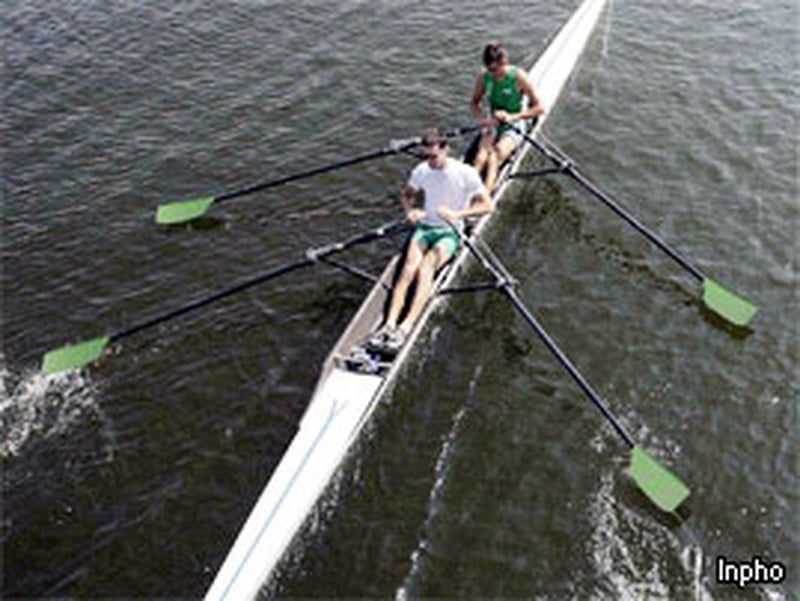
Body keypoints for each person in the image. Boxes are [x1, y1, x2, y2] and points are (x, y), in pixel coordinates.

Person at [368, 128, 492, 353]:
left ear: (446, 150)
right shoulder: (421, 171)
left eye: (434, 156)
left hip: (450, 231)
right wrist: (410, 211)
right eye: (426, 156)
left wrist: (457, 215)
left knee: (426, 269)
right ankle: (388, 325)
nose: (430, 162)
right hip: (425, 228)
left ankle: (405, 328)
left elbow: (487, 205)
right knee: (407, 270)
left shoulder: (465, 173)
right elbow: (406, 195)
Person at [469, 42, 545, 192]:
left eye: (496, 69)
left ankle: (485, 197)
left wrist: (513, 116)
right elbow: (474, 103)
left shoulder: (519, 77)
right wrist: (483, 120)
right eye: (490, 69)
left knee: (494, 157)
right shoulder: (484, 76)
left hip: (514, 123)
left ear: (505, 62)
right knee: (480, 157)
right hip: (493, 122)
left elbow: (540, 108)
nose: (493, 73)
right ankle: (466, 190)